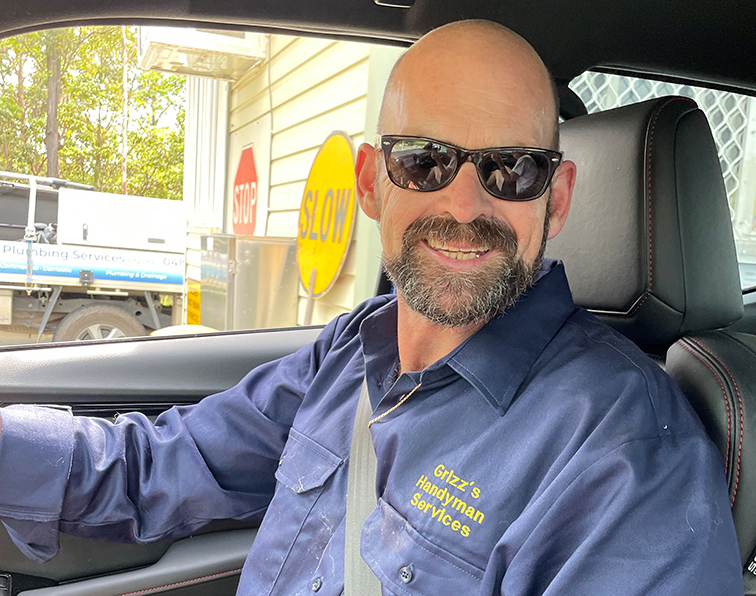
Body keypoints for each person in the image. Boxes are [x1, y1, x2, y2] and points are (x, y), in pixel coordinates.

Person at [0, 19, 743, 596]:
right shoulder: (354, 348)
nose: (463, 205)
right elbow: (165, 463)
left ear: (560, 197)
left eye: (511, 169)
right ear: (369, 181)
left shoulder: (629, 459)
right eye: (424, 160)